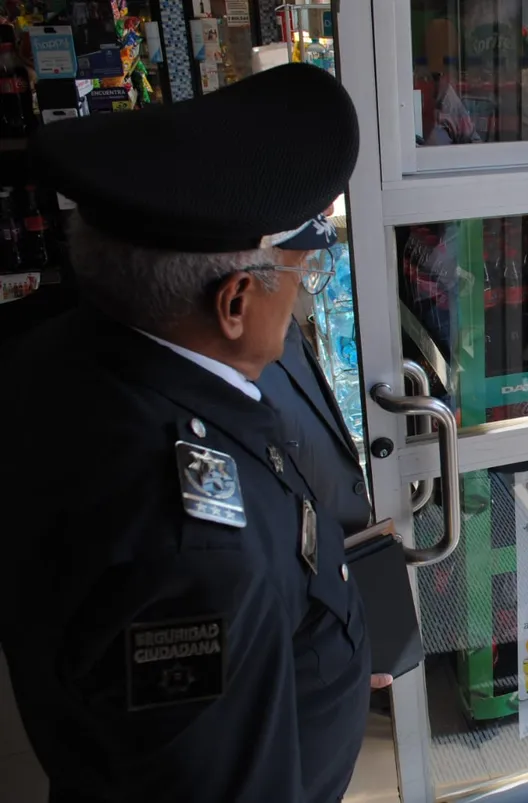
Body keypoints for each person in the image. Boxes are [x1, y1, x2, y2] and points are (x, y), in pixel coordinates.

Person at [0, 64, 375, 803]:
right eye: (300, 271)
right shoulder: (197, 557)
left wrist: (325, 651)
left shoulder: (58, 356)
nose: (302, 294)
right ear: (235, 300)